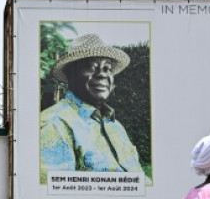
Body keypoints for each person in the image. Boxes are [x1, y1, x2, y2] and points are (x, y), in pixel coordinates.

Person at [40, 33, 145, 183]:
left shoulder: (115, 125)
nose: (102, 75)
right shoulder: (55, 124)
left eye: (107, 68)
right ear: (71, 75)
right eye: (91, 67)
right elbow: (59, 195)